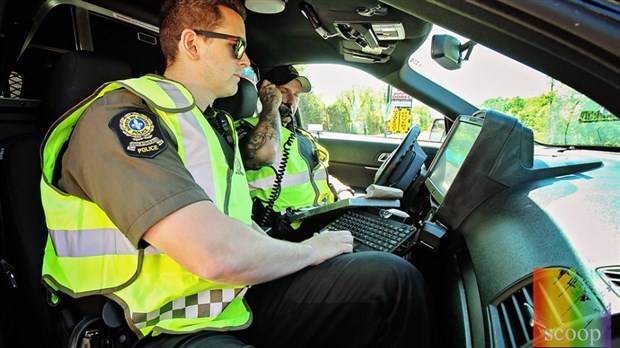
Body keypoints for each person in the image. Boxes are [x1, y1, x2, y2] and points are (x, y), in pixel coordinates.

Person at [39, 0, 431, 347]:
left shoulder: (210, 126)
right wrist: (310, 251)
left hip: (231, 296)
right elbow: (213, 254)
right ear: (191, 43)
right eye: (236, 46)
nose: (245, 61)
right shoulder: (123, 119)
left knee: (390, 280)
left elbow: (234, 223)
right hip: (156, 324)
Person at [236, 65, 355, 240]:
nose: (292, 101)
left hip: (325, 219)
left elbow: (320, 173)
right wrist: (270, 106)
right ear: (266, 91)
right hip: (288, 232)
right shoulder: (244, 129)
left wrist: (344, 192)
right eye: (284, 91)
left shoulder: (301, 135)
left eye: (297, 95)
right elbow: (262, 154)